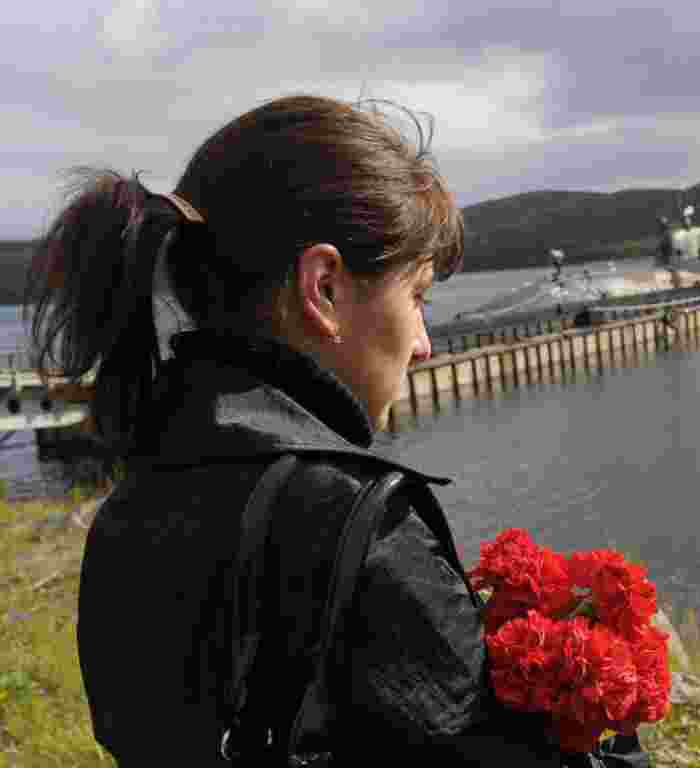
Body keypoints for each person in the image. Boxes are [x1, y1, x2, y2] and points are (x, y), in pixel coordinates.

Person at [26, 95, 645, 767]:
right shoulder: (358, 524)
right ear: (323, 288)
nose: (424, 344)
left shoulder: (129, 509)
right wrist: (614, 708)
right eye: (417, 297)